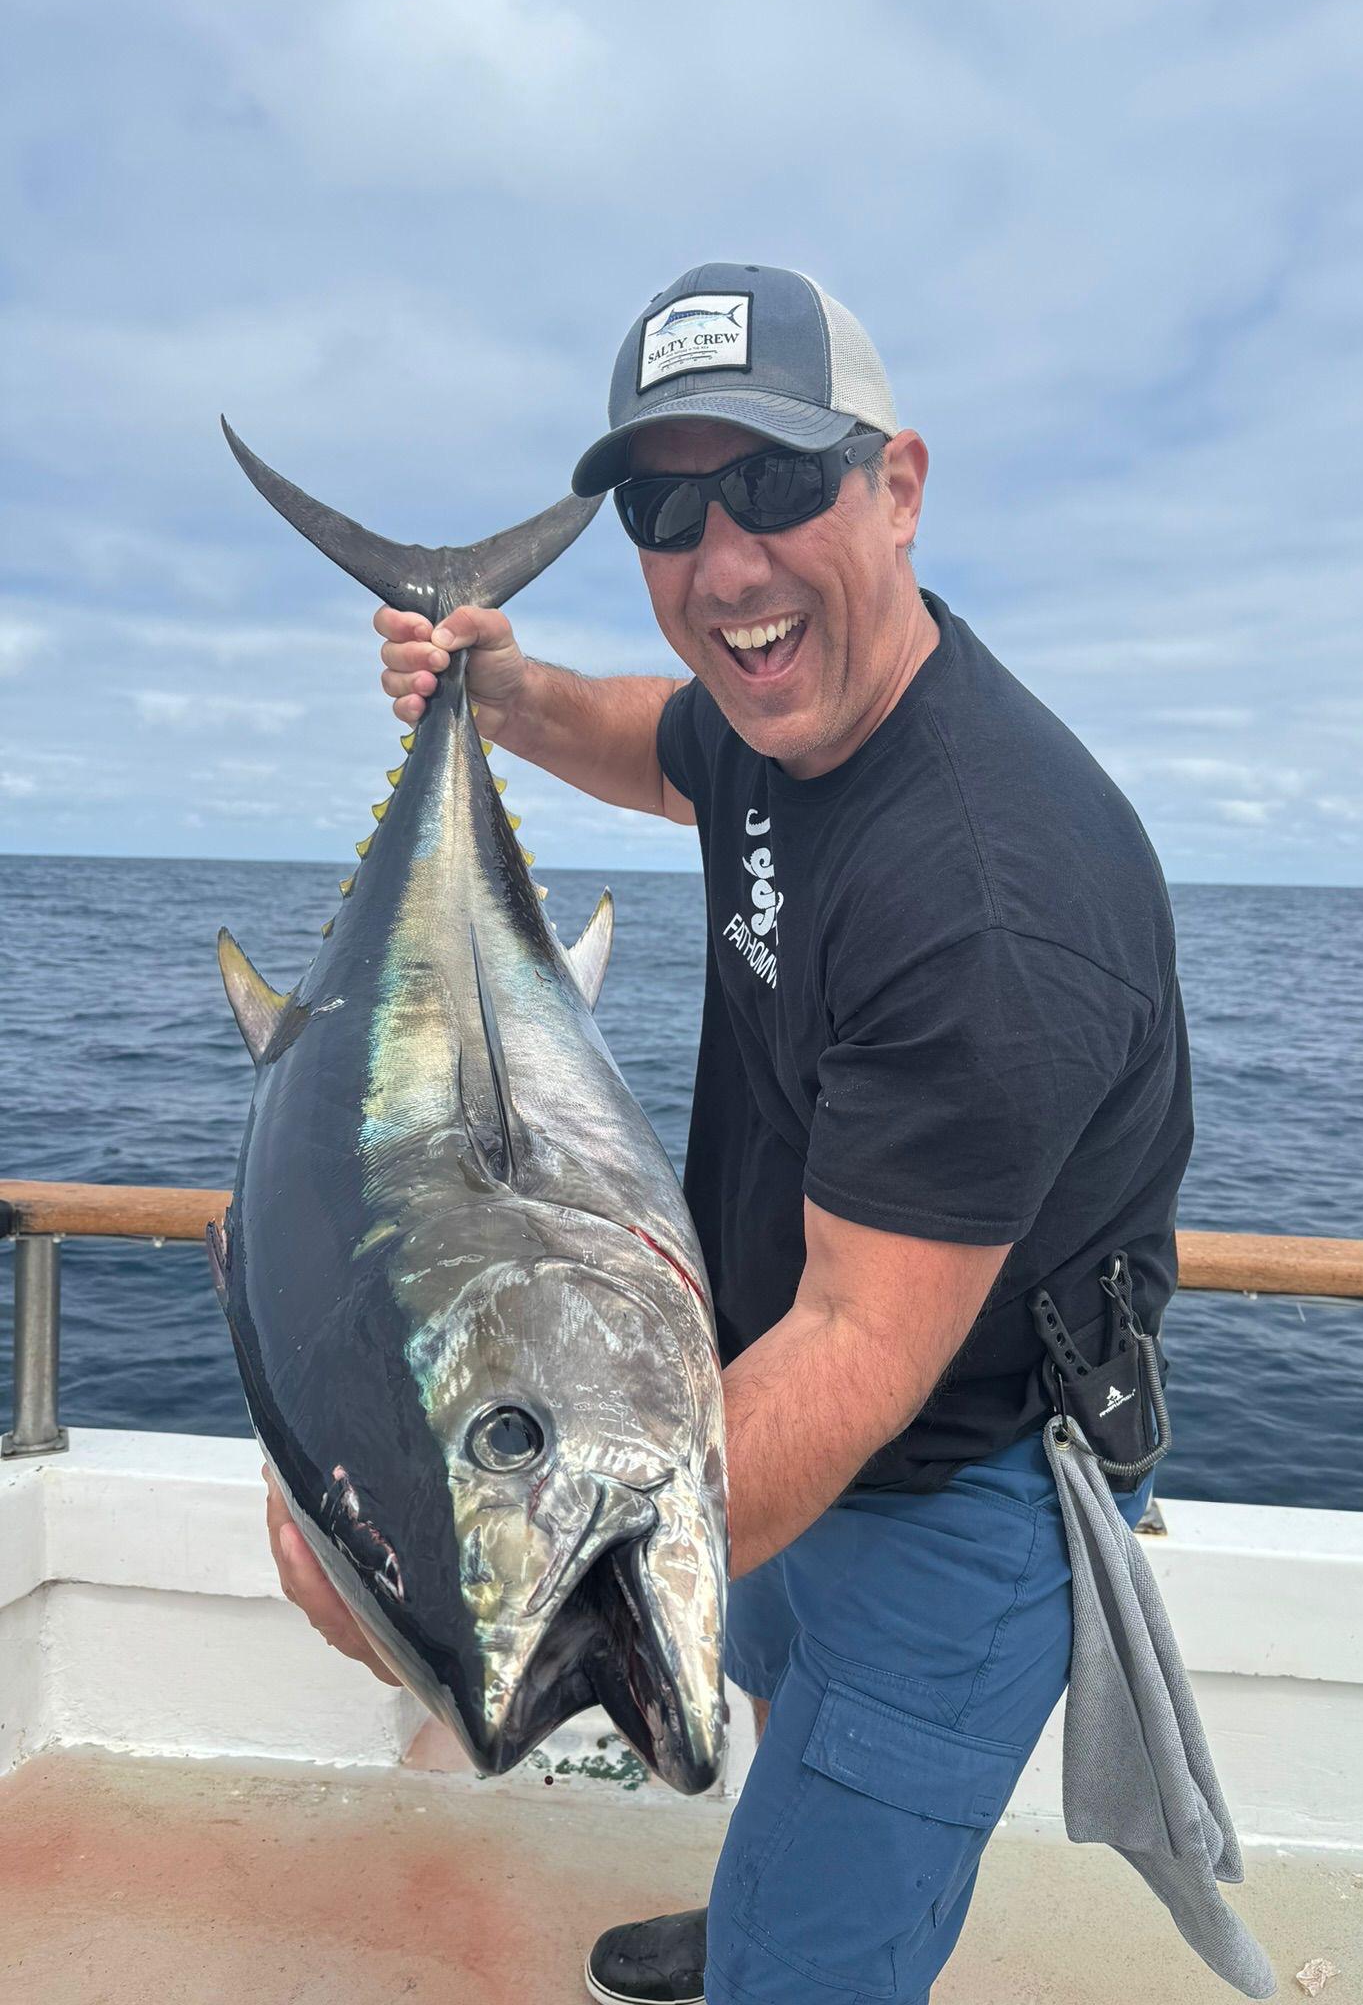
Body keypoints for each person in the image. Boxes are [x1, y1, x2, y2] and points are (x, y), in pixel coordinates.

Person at [264, 262, 1194, 2005]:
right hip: (746, 1391)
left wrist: (473, 1611)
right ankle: (777, 1886)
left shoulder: (987, 903)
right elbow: (668, 745)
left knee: (819, 1947)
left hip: (946, 1481)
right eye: (666, 509)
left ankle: (794, 1942)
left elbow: (862, 1343)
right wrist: (505, 689)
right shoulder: (790, 712)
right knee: (764, 1692)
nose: (724, 561)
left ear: (899, 486)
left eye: (775, 484)